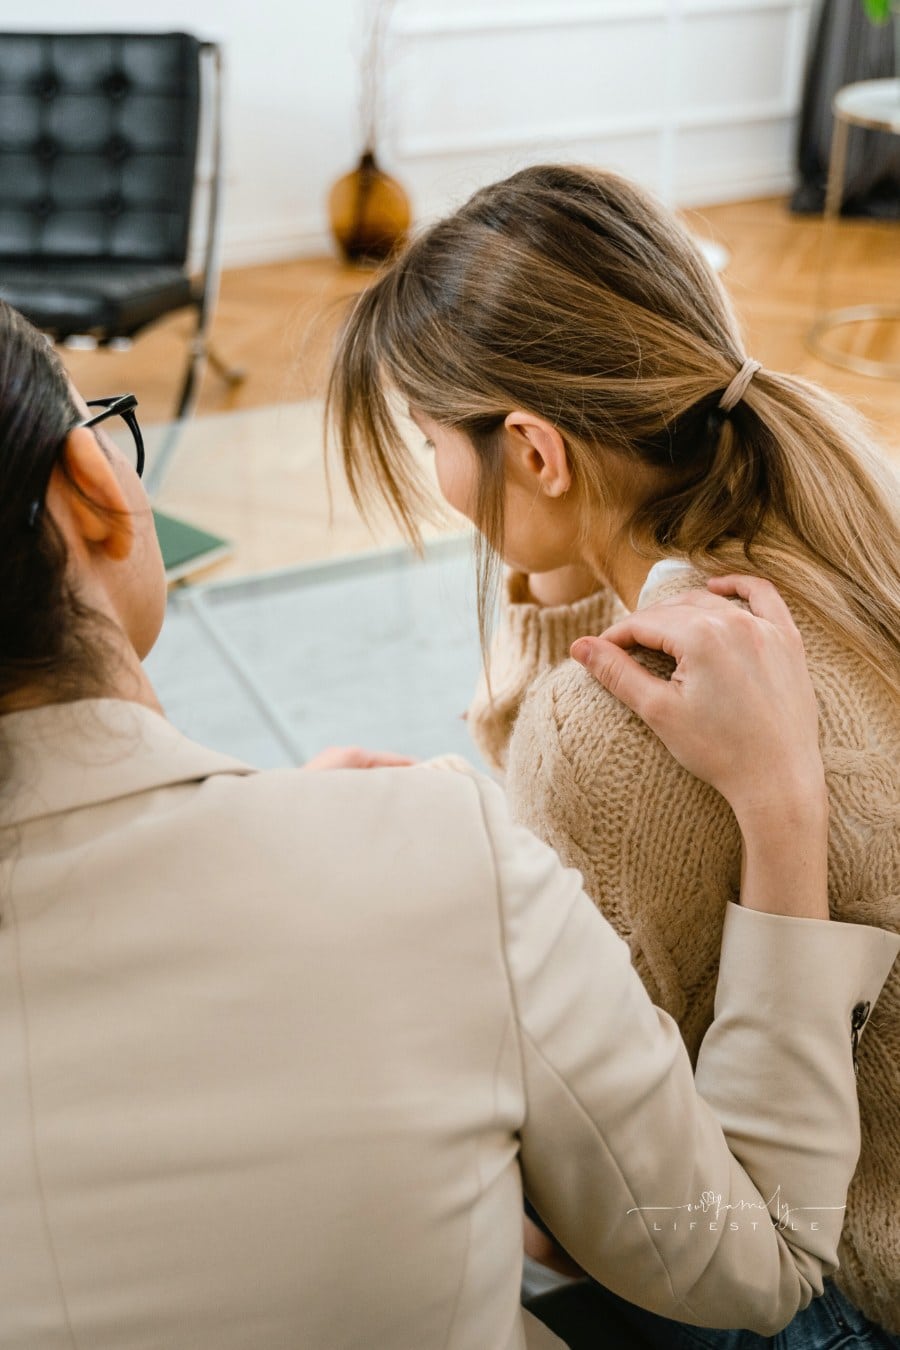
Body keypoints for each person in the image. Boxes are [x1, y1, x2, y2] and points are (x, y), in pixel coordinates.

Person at [0, 306, 895, 1350]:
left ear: (532, 452)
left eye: (429, 442)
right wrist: (781, 802)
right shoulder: (438, 846)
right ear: (95, 487)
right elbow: (755, 1253)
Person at [327, 163, 900, 1344]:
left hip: (853, 1287)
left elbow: (622, 1194)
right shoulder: (840, 517)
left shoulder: (605, 740)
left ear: (534, 451)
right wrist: (558, 580)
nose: (439, 483)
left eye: (434, 441)